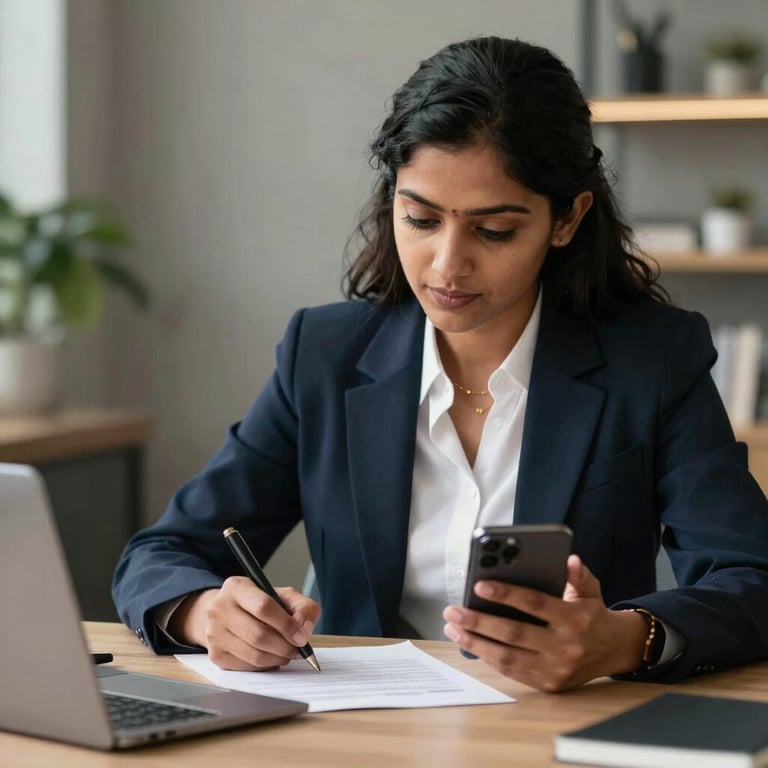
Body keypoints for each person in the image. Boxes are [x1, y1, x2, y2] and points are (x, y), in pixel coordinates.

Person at [113, 36, 768, 692]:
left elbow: (752, 579)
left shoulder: (651, 362)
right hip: (362, 737)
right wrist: (206, 613)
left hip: (561, 727)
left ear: (566, 219)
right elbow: (161, 553)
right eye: (421, 219)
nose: (447, 265)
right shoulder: (325, 355)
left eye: (494, 231)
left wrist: (624, 639)